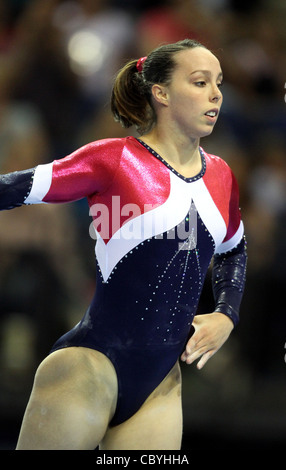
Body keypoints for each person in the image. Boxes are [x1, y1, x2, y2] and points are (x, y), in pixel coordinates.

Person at [0, 39, 247, 450]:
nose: (216, 93)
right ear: (161, 92)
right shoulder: (113, 160)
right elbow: (16, 187)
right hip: (88, 367)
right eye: (200, 82)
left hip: (160, 388)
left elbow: (233, 250)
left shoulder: (221, 175)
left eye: (218, 82)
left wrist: (226, 314)